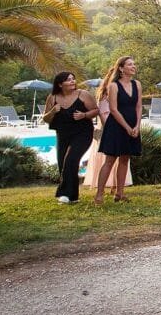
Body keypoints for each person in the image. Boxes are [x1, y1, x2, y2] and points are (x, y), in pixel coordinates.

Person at [94, 56, 142, 205]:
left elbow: (139, 106)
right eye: (130, 64)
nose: (133, 66)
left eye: (134, 64)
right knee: (110, 160)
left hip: (133, 124)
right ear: (121, 68)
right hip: (116, 126)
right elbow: (113, 109)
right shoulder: (114, 86)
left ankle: (120, 193)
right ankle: (99, 195)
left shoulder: (137, 84)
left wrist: (137, 126)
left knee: (125, 159)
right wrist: (127, 127)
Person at [46, 72, 98, 204]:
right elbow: (46, 118)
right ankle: (73, 196)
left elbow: (96, 110)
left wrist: (84, 115)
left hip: (83, 133)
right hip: (63, 134)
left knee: (71, 159)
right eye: (68, 80)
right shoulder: (53, 97)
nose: (72, 81)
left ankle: (64, 194)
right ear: (60, 84)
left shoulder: (83, 95)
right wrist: (52, 112)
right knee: (62, 163)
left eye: (73, 79)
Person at [84, 81, 132, 193]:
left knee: (122, 160)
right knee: (109, 160)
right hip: (110, 129)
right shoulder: (105, 95)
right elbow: (103, 114)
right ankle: (102, 191)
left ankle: (116, 188)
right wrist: (112, 129)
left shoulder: (122, 93)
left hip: (121, 127)